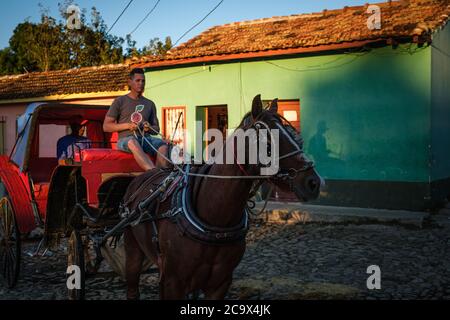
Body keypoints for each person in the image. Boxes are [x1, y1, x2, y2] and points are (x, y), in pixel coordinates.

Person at [103, 68, 169, 170]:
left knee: (163, 145)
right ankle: (152, 172)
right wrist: (128, 126)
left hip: (145, 139)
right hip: (125, 140)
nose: (141, 83)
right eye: (137, 80)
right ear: (130, 82)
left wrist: (149, 127)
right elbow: (106, 126)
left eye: (143, 81)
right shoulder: (120, 101)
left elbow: (157, 129)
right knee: (132, 142)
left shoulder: (150, 104)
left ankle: (160, 177)